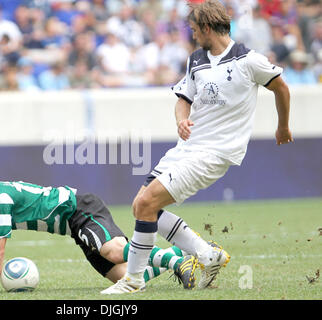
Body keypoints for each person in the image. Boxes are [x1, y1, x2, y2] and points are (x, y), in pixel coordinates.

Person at [102, 0, 293, 295]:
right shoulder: (197, 60)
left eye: (193, 30)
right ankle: (207, 255)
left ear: (206, 28)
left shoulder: (248, 60)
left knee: (148, 203)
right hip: (187, 148)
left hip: (215, 153)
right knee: (141, 206)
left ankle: (133, 280)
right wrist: (182, 120)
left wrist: (282, 126)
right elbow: (183, 99)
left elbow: (281, 86)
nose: (192, 36)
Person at [0, 168, 198, 295]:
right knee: (125, 278)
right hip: (73, 226)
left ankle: (177, 261)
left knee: (112, 251)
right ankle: (177, 252)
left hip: (79, 209)